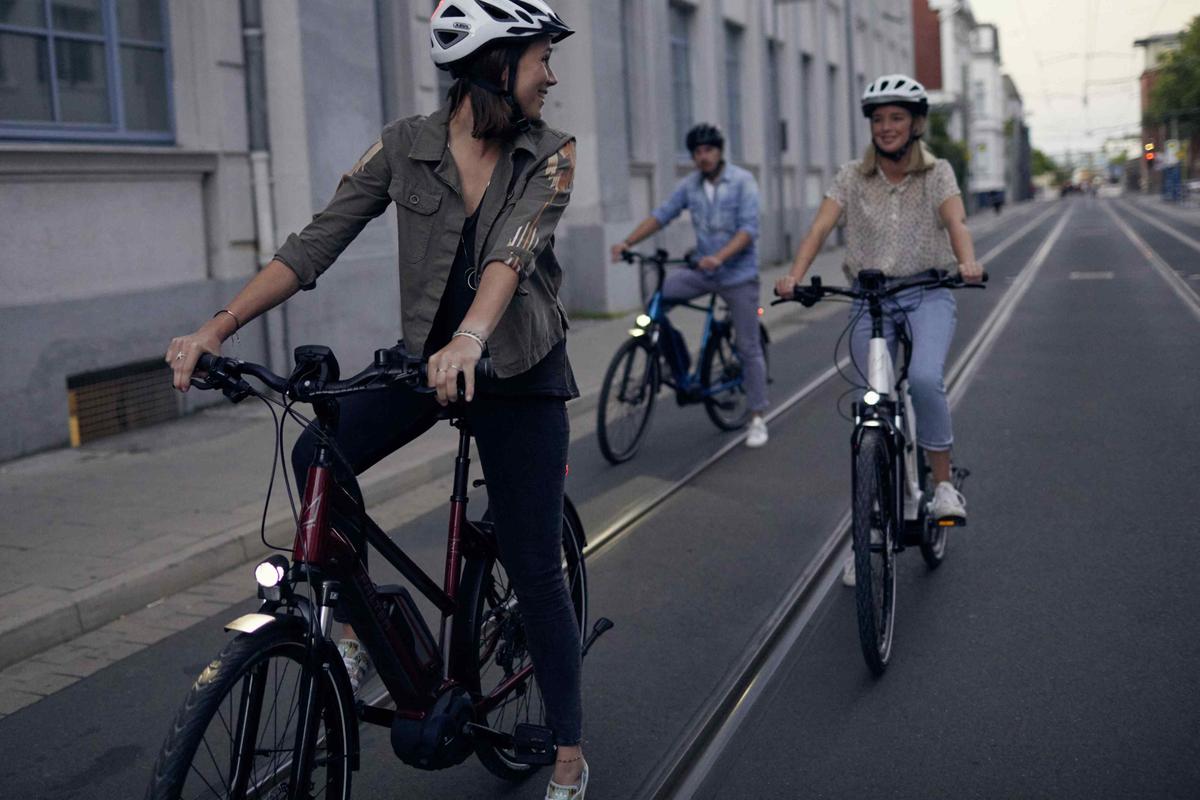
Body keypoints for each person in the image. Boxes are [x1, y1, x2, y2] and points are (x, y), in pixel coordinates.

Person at [165, 1, 590, 796]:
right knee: (316, 451)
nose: (552, 76)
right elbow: (315, 242)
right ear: (497, 65)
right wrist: (217, 329)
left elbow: (513, 251)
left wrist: (471, 338)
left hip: (518, 372)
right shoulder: (403, 147)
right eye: (541, 59)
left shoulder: (552, 153)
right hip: (425, 363)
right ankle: (360, 634)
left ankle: (568, 752)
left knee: (534, 566)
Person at [774, 74, 984, 587]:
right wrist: (794, 276)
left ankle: (940, 488)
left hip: (927, 291)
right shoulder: (852, 176)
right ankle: (866, 542)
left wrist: (968, 261)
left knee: (929, 380)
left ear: (915, 124)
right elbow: (821, 227)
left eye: (896, 118)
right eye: (878, 119)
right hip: (871, 299)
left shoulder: (937, 174)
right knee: (871, 409)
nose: (886, 127)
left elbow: (956, 222)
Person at [612, 123, 770, 448]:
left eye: (708, 150)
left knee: (748, 346)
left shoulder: (742, 182)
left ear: (719, 151)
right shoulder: (691, 186)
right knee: (657, 303)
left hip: (737, 274)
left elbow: (748, 230)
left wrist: (720, 257)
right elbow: (662, 214)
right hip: (702, 270)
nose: (703, 157)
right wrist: (627, 242)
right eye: (697, 152)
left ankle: (756, 417)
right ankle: (679, 363)